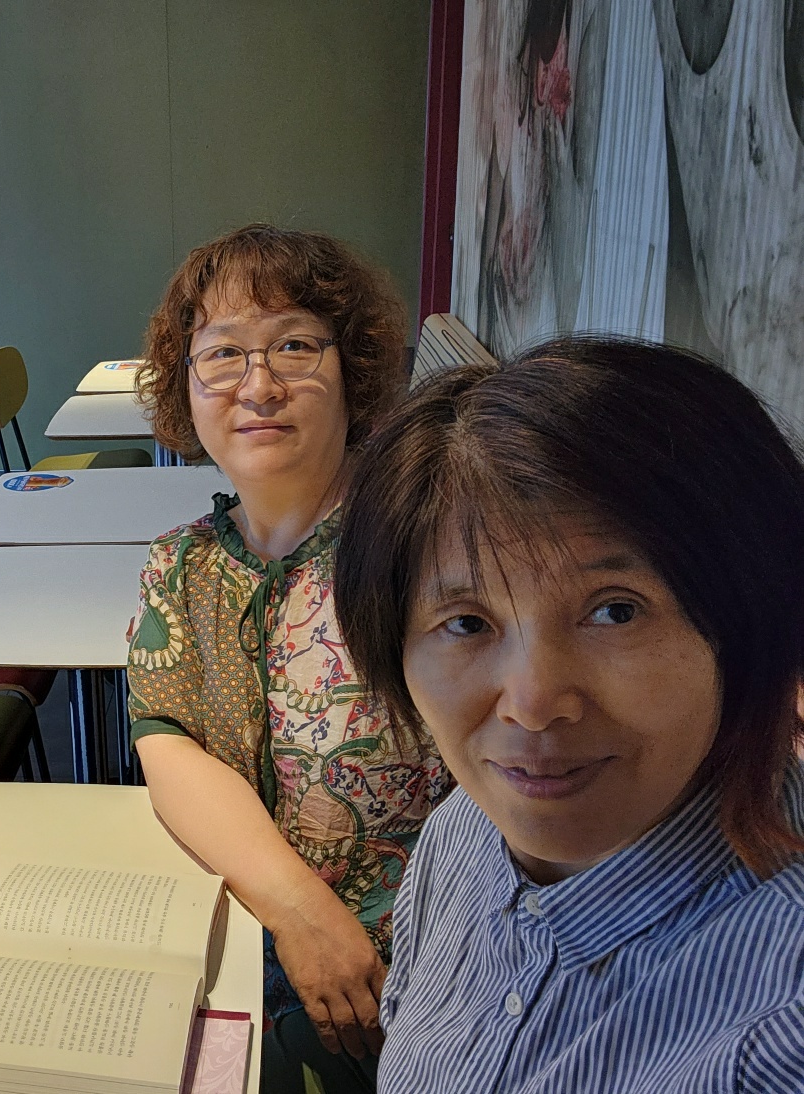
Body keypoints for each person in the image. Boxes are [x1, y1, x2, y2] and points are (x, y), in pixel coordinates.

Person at [333, 337, 804, 1092]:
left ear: (746, 621)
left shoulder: (778, 1034)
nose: (531, 706)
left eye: (615, 611)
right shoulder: (462, 834)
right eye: (466, 623)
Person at [126, 224, 451, 1094]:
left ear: (354, 369)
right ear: (186, 386)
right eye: (222, 355)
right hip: (246, 942)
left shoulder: (423, 546)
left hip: (419, 974)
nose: (258, 385)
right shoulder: (183, 564)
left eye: (295, 346)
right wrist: (299, 911)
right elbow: (166, 736)